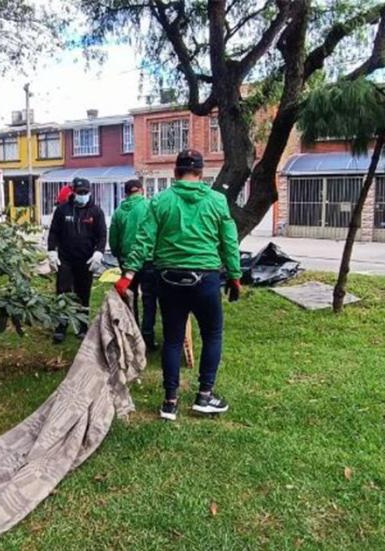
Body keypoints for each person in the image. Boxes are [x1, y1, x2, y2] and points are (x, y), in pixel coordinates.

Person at [114, 150, 241, 421]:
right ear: (202, 172)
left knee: (172, 340)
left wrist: (128, 274)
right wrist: (235, 275)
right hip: (205, 280)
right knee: (212, 335)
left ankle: (169, 403)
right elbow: (229, 241)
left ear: (175, 172)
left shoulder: (159, 201)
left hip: (168, 280)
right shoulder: (217, 201)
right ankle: (205, 396)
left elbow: (143, 240)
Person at [47, 178, 106, 343]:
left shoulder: (96, 212)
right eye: (79, 192)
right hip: (65, 259)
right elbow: (53, 233)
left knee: (83, 293)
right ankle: (61, 326)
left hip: (86, 260)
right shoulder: (62, 210)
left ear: (89, 192)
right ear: (73, 192)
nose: (82, 195)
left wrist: (99, 253)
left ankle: (82, 326)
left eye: (85, 192)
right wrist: (52, 251)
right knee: (62, 292)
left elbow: (102, 235)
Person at [108, 179, 158, 348]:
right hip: (149, 260)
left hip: (126, 261)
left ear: (126, 193)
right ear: (142, 191)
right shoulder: (150, 207)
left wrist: (118, 254)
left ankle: (132, 335)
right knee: (149, 298)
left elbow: (113, 239)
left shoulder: (118, 212)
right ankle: (148, 336)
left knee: (130, 297)